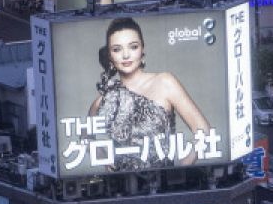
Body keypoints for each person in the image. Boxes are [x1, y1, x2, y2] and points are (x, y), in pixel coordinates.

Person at [88, 18, 211, 171]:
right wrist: (106, 162)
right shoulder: (104, 101)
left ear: (142, 49)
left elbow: (204, 131)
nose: (126, 55)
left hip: (163, 187)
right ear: (110, 56)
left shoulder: (165, 82)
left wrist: (180, 170)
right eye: (117, 49)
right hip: (123, 189)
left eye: (133, 47)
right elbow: (86, 139)